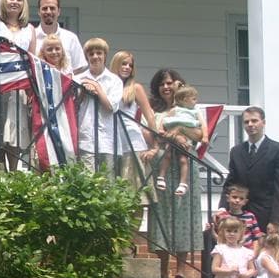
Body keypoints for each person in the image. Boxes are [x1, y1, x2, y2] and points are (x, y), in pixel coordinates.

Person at [147, 68, 205, 278]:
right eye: (162, 84)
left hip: (184, 166)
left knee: (183, 215)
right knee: (162, 214)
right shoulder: (155, 111)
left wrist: (180, 130)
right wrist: (167, 137)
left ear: (179, 84)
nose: (166, 87)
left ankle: (180, 270)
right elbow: (150, 135)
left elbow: (200, 135)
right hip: (162, 163)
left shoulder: (191, 109)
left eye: (170, 83)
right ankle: (162, 269)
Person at [222, 106, 279, 235]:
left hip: (265, 215)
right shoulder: (236, 151)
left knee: (263, 254)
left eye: (254, 121)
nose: (250, 125)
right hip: (238, 215)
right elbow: (230, 183)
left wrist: (276, 220)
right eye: (246, 122)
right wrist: (222, 209)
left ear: (263, 123)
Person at [0, 0, 37, 171]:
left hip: (19, 85)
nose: (14, 2)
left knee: (15, 132)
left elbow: (33, 59)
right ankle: (0, 172)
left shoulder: (29, 29)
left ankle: (12, 173)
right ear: (4, 1)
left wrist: (30, 89)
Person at [109, 51, 158, 190]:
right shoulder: (107, 84)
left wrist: (155, 146)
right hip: (111, 143)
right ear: (116, 64)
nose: (127, 67)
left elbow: (149, 116)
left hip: (132, 143)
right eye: (123, 63)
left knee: (135, 193)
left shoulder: (135, 88)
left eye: (130, 65)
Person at [74, 37, 122, 173]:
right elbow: (73, 106)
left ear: (105, 55)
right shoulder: (78, 79)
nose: (95, 56)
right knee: (88, 181)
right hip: (86, 137)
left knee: (107, 183)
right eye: (91, 54)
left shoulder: (114, 80)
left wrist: (97, 88)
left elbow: (111, 107)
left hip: (107, 139)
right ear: (87, 56)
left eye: (99, 53)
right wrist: (83, 91)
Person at [155, 84, 201, 196]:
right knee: (167, 155)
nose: (196, 101)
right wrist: (165, 131)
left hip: (185, 140)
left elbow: (200, 131)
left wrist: (183, 130)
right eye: (194, 99)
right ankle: (161, 177)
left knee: (183, 160)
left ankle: (183, 183)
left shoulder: (194, 112)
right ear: (185, 99)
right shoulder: (175, 110)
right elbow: (163, 125)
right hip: (171, 139)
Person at [30, 0, 87, 75]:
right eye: (45, 8)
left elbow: (78, 68)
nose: (48, 11)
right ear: (39, 12)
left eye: (52, 8)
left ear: (59, 11)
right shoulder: (31, 37)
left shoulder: (70, 38)